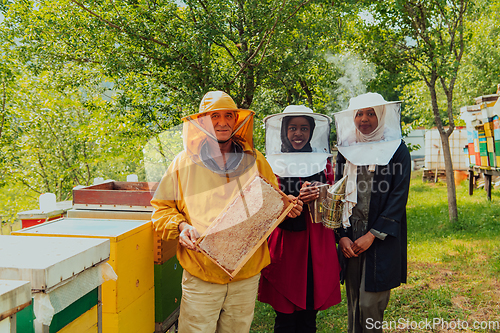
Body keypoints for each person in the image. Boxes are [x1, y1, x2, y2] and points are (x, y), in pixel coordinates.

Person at [150, 90, 302, 333]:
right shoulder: (183, 163)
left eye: (228, 116)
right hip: (201, 272)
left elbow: (271, 201)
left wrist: (287, 207)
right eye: (214, 116)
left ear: (236, 120)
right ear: (202, 122)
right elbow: (162, 209)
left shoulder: (255, 159)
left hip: (246, 272)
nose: (222, 122)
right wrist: (181, 226)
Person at [259, 105, 341, 333]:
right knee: (285, 315)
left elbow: (333, 197)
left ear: (312, 131)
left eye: (304, 128)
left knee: (309, 313)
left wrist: (321, 190)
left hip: (316, 243)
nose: (298, 133)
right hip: (287, 244)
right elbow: (266, 203)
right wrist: (296, 199)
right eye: (293, 127)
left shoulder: (322, 161)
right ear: (284, 130)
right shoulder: (271, 162)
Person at [334, 93, 411, 333]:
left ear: (382, 115)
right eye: (359, 113)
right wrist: (342, 235)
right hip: (352, 233)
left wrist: (373, 235)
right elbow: (337, 193)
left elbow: (398, 197)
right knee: (354, 302)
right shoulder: (346, 148)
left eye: (371, 113)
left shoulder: (396, 149)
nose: (364, 119)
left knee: (370, 304)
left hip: (380, 235)